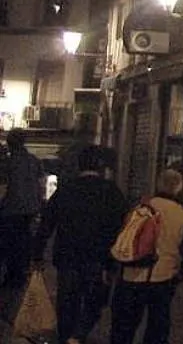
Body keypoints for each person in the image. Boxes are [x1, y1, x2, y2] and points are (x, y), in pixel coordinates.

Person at [32, 144, 128, 344]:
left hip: (68, 257)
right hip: (98, 259)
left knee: (67, 303)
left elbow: (47, 224)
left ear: (79, 166)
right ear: (101, 166)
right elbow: (122, 226)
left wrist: (37, 254)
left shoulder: (66, 190)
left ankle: (67, 336)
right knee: (95, 301)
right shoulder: (111, 192)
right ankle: (79, 335)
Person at [109, 169, 183, 344]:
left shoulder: (140, 209)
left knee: (123, 328)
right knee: (157, 327)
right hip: (163, 277)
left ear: (158, 184)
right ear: (179, 188)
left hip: (131, 274)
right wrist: (181, 274)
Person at [0, 128, 46, 333]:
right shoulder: (34, 161)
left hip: (9, 212)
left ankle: (11, 281)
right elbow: (39, 186)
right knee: (22, 246)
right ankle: (17, 278)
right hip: (28, 212)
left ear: (10, 143)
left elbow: (3, 188)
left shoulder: (7, 163)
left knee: (8, 246)